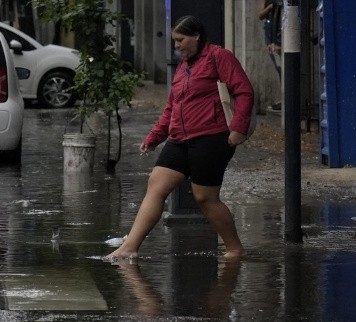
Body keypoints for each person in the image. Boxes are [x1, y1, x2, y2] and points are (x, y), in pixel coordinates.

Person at [105, 15, 254, 260]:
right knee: (156, 185)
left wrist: (238, 128)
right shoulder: (184, 68)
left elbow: (244, 91)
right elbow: (172, 108)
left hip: (211, 137)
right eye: (174, 41)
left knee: (205, 198)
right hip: (179, 138)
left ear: (196, 36)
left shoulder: (219, 57)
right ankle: (129, 247)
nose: (177, 46)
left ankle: (235, 248)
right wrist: (154, 137)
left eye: (180, 40)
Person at [258, 0, 282, 111]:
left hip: (276, 35)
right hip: (271, 33)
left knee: (281, 67)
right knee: (278, 66)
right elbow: (260, 14)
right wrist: (270, 8)